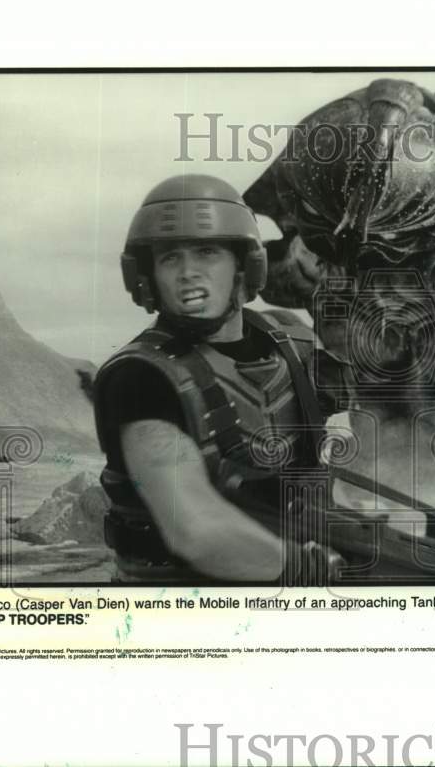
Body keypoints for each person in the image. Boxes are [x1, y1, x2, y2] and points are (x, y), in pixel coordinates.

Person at [93, 174, 344, 583]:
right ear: (148, 276)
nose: (188, 272)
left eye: (206, 252)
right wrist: (305, 568)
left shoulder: (293, 342)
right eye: (170, 258)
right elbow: (193, 529)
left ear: (244, 265)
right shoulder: (142, 378)